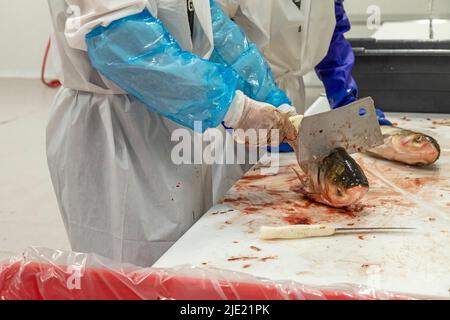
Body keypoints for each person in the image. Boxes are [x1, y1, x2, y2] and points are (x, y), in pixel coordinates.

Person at [46, 0, 296, 267]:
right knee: (134, 268)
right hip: (120, 126)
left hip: (182, 113)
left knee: (189, 254)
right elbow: (121, 43)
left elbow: (209, 27)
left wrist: (268, 97)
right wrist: (235, 107)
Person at [218, 0, 392, 126]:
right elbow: (215, 40)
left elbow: (329, 30)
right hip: (240, 111)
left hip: (291, 103)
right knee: (249, 174)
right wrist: (248, 105)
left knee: (289, 173)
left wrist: (344, 98)